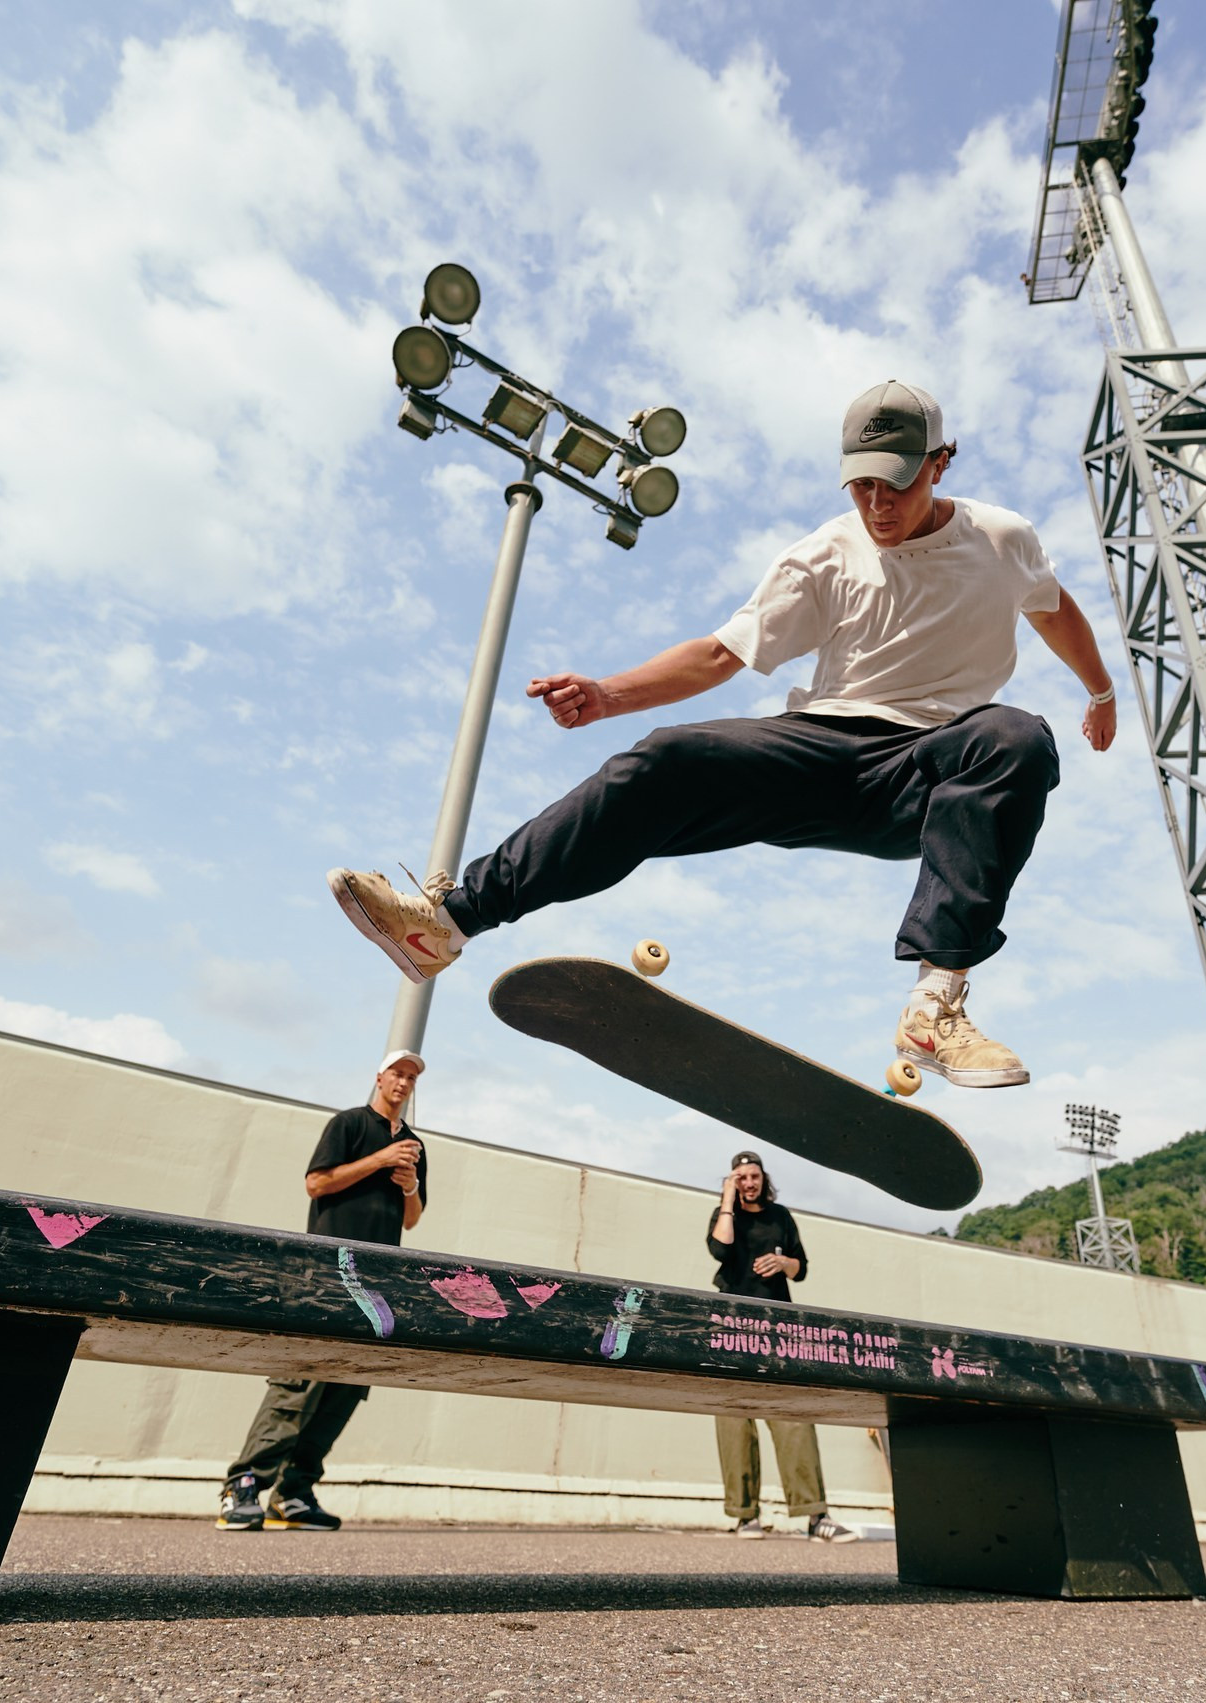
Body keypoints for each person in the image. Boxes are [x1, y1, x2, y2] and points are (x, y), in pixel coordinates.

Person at [327, 379, 1117, 1087]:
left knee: (1015, 735)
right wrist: (607, 694)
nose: (878, 506)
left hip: (931, 771)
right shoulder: (822, 557)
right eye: (862, 486)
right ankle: (449, 921)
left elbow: (1053, 609)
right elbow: (718, 655)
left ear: (940, 463)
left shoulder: (1002, 538)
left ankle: (935, 1006)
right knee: (671, 757)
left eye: (898, 486)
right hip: (821, 753)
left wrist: (1102, 688)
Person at [216, 1049, 428, 1532]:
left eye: (412, 1076)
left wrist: (410, 1183)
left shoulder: (414, 1146)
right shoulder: (349, 1124)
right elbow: (316, 1184)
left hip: (378, 1284)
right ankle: (244, 1485)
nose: (404, 1082)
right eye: (397, 1072)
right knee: (299, 1378)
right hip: (327, 1275)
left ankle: (292, 1494)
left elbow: (411, 1219)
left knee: (346, 1386)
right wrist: (379, 1160)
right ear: (379, 1076)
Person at [707, 1150, 858, 1543]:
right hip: (731, 1323)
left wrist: (782, 1263)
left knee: (793, 1415)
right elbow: (720, 1250)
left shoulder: (781, 1216)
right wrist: (726, 1201)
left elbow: (801, 1268)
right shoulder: (726, 1216)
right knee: (734, 1419)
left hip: (777, 1326)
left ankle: (815, 1517)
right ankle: (744, 1516)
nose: (748, 1182)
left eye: (754, 1175)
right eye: (739, 1176)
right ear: (731, 1182)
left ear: (763, 1178)